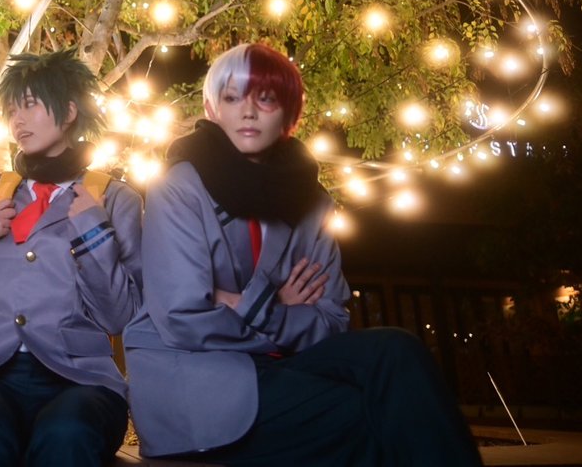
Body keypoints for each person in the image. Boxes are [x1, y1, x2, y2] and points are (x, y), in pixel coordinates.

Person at [123, 43, 482, 466]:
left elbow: (331, 320)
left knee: (396, 350)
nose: (248, 112)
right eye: (232, 97)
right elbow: (183, 318)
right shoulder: (178, 187)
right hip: (195, 379)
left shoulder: (314, 201)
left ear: (289, 113)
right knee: (362, 414)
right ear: (211, 109)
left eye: (265, 98)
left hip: (280, 365)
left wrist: (247, 305)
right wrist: (280, 309)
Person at [0, 50, 142, 467]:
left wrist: (93, 232)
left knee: (67, 434)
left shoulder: (116, 199)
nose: (17, 121)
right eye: (11, 111)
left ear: (69, 111)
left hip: (79, 378)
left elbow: (119, 316)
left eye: (29, 105)